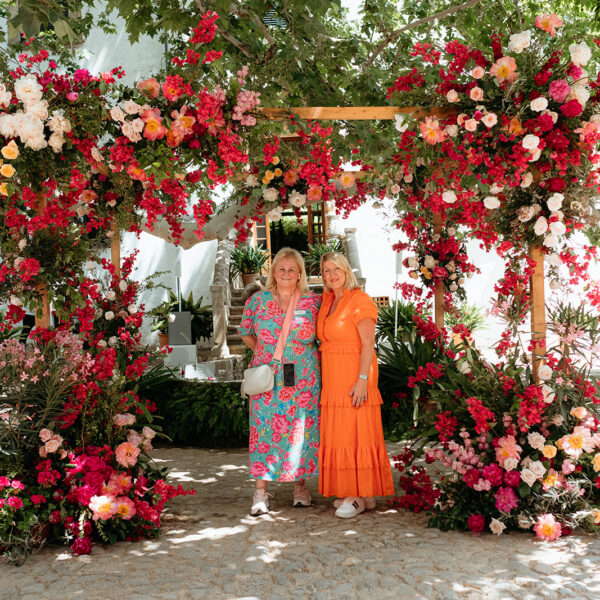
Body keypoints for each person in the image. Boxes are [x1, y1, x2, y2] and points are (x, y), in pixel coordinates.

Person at [238, 247, 321, 515]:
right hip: (269, 378)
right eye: (281, 268)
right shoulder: (258, 301)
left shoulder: (312, 303)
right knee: (263, 431)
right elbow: (246, 332)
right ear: (273, 271)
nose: (286, 273)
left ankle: (300, 487)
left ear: (300, 274)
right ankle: (260, 491)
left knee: (302, 432)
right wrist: (265, 357)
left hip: (304, 380)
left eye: (292, 269)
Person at [317, 252, 394, 518]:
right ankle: (363, 494)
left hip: (354, 376)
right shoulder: (328, 300)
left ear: (347, 270)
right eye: (326, 271)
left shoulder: (360, 300)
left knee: (355, 433)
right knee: (342, 434)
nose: (331, 275)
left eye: (336, 269)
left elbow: (368, 346)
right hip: (333, 379)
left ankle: (357, 494)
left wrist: (362, 380)